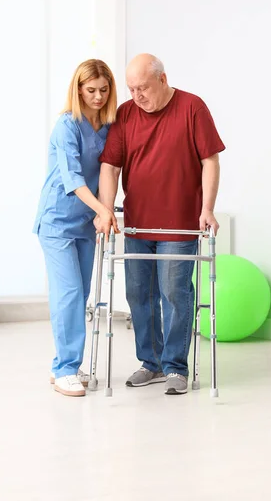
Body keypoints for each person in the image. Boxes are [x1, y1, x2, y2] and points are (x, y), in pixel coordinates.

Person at [96, 53, 225, 395]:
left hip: (180, 225)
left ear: (163, 80)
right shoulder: (126, 114)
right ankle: (150, 363)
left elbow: (209, 160)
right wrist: (106, 209)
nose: (136, 96)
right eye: (131, 89)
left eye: (143, 88)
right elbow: (110, 166)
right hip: (138, 224)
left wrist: (207, 208)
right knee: (139, 294)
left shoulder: (192, 107)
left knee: (174, 292)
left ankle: (175, 367)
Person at [33, 59, 118, 397]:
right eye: (91, 90)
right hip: (56, 221)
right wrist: (103, 210)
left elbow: (110, 171)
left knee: (79, 295)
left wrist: (102, 212)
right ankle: (64, 368)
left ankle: (65, 365)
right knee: (68, 294)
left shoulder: (109, 126)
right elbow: (73, 178)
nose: (97, 96)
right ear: (78, 90)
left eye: (103, 90)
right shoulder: (66, 126)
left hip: (85, 221)